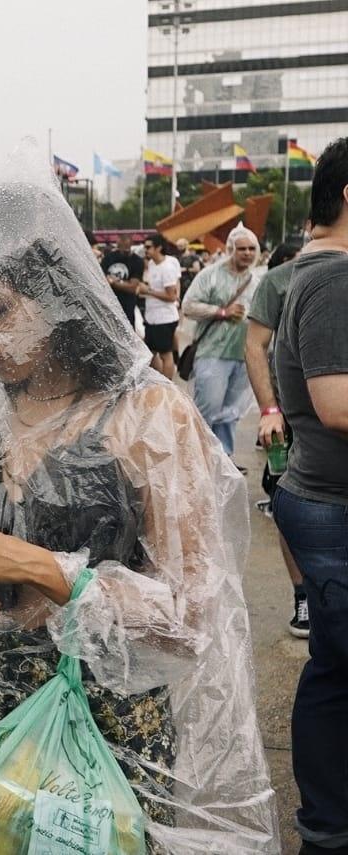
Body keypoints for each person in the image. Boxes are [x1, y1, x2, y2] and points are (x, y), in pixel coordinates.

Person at [0, 142, 277, 853]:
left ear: (60, 300)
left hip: (102, 715)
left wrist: (40, 567)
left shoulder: (147, 416)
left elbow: (193, 610)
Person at [272, 136, 348, 855]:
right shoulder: (333, 279)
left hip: (323, 501)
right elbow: (336, 405)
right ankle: (327, 825)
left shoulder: (314, 272)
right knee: (336, 672)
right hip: (333, 506)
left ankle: (327, 821)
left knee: (334, 668)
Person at [244, 240, 309, 639]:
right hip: (289, 417)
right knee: (288, 504)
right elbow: (254, 345)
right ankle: (303, 594)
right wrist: (269, 409)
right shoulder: (278, 282)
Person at [182, 224, 263, 458]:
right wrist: (221, 312)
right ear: (230, 249)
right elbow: (188, 306)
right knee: (207, 409)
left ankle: (224, 459)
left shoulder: (256, 281)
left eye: (251, 248)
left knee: (230, 413)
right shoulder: (210, 275)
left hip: (242, 355)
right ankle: (199, 458)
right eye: (242, 249)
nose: (247, 253)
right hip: (212, 353)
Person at [139, 234, 181, 378]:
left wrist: (148, 291)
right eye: (145, 247)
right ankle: (157, 380)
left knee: (165, 355)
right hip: (152, 317)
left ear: (158, 248)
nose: (146, 250)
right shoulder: (151, 264)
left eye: (148, 247)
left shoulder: (167, 268)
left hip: (164, 318)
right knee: (150, 353)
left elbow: (171, 296)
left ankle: (168, 385)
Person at [102, 234, 145, 329]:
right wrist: (123, 284)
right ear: (118, 245)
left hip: (127, 306)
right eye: (122, 247)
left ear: (131, 245)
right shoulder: (108, 259)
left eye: (127, 248)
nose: (125, 250)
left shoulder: (137, 261)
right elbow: (101, 280)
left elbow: (132, 288)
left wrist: (113, 282)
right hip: (109, 305)